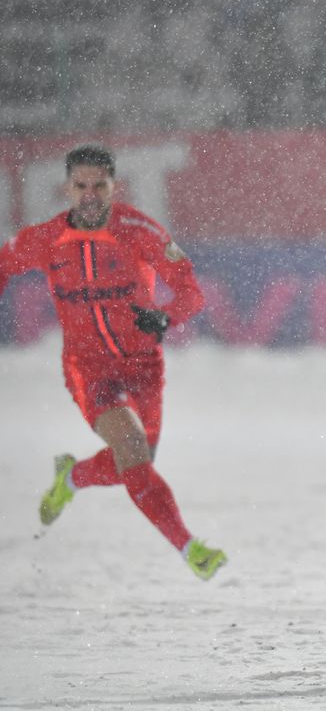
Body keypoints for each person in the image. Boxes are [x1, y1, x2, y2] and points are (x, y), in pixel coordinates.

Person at [0, 145, 226, 579]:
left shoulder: (139, 231)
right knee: (133, 452)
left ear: (112, 186)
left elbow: (191, 292)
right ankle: (190, 549)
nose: (89, 194)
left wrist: (166, 316)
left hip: (144, 367)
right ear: (66, 187)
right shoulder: (47, 239)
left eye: (98, 185)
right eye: (80, 185)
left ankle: (70, 478)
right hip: (90, 369)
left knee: (137, 467)